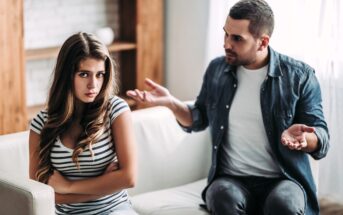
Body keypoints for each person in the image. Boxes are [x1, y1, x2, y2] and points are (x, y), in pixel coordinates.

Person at [126, 0, 329, 214]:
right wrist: (171, 103)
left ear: (262, 42)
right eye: (225, 34)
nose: (226, 44)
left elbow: (322, 137)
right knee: (222, 199)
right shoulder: (217, 69)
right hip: (231, 179)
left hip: (283, 179)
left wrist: (305, 140)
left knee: (283, 205)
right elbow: (199, 118)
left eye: (237, 39)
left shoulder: (300, 76)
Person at [29, 32, 138, 215]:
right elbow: (39, 194)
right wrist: (106, 185)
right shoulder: (41, 123)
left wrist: (69, 186)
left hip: (115, 210)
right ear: (66, 75)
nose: (93, 85)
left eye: (100, 74)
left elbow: (129, 178)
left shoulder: (116, 111)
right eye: (84, 74)